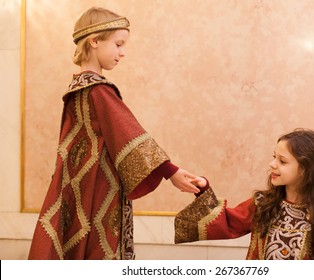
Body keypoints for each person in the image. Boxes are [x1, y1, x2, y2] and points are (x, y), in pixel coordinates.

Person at [28, 6, 201, 260]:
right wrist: (170, 171)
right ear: (94, 41)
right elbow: (128, 134)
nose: (123, 53)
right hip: (97, 195)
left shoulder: (76, 87)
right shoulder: (98, 90)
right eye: (118, 44)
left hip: (79, 190)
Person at [175, 129, 314, 260]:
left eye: (282, 161)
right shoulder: (263, 205)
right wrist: (204, 189)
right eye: (274, 157)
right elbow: (226, 222)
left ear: (305, 169)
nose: (272, 164)